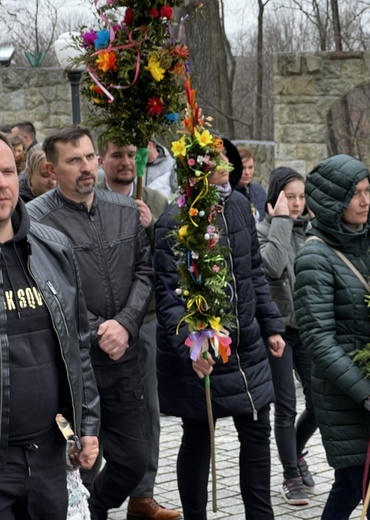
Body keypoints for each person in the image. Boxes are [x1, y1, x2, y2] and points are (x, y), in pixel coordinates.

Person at [154, 137, 285, 520]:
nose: (225, 166)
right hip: (201, 351)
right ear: (196, 168)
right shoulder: (174, 221)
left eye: (226, 160)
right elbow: (168, 298)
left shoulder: (242, 205)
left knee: (257, 433)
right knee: (198, 438)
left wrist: (272, 324)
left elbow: (253, 272)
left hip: (246, 347)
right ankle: (195, 515)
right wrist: (190, 349)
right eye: (214, 161)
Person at [26, 125, 153, 520]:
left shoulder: (126, 210)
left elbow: (146, 271)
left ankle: (94, 507)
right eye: (73, 160)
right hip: (74, 366)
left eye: (89, 157)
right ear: (52, 168)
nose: (86, 167)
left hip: (124, 357)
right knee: (82, 458)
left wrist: (126, 323)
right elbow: (49, 288)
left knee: (135, 458)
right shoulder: (35, 220)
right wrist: (101, 328)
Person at [293, 154, 370, 520]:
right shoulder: (314, 257)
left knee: (351, 484)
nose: (365, 201)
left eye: (367, 191)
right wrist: (368, 395)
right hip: (344, 396)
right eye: (355, 194)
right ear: (333, 202)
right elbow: (319, 339)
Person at [0, 132, 100, 517]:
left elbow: (77, 347)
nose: (2, 183)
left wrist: (85, 425)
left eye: (8, 171)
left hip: (48, 457)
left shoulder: (53, 248)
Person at [97, 140, 180, 520]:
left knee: (148, 409)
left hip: (143, 322)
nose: (126, 162)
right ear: (103, 160)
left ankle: (142, 496)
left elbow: (167, 264)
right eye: (117, 155)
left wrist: (151, 229)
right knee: (92, 415)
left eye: (132, 155)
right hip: (98, 325)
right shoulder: (90, 199)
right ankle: (87, 493)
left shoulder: (157, 203)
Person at [256, 167, 317, 506]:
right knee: (286, 407)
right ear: (275, 198)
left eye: (300, 197)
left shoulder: (310, 233)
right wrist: (280, 220)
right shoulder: (262, 231)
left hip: (307, 330)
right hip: (277, 332)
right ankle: (290, 475)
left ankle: (295, 452)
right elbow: (273, 266)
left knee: (320, 404)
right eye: (289, 197)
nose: (296, 204)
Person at [236, 146, 267, 222]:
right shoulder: (228, 196)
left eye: (250, 167)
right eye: (243, 168)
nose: (247, 172)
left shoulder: (260, 191)